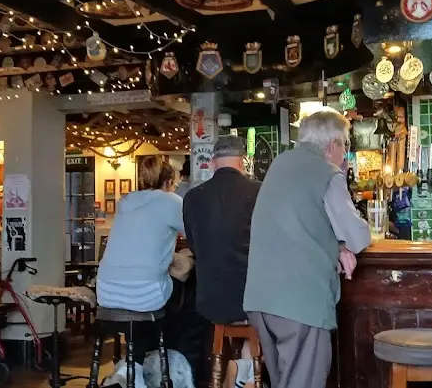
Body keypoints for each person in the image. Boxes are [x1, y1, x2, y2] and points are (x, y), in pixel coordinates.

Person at [244, 110, 372, 388]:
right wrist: (343, 242)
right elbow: (358, 236)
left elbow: (298, 221)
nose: (345, 153)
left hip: (260, 300)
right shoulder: (327, 172)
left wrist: (336, 244)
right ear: (332, 145)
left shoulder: (280, 163)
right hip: (299, 302)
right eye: (345, 145)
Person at [182, 136, 262, 388]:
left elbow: (194, 247)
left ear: (213, 162)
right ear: (243, 161)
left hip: (210, 302)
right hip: (252, 300)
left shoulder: (193, 198)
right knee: (283, 316)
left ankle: (243, 366)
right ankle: (248, 366)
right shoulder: (261, 191)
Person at [97, 156, 184, 360]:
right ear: (169, 182)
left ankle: (133, 366)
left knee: (143, 297)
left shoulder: (125, 201)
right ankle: (163, 362)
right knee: (182, 292)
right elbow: (195, 231)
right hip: (144, 296)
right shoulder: (171, 200)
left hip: (106, 291)